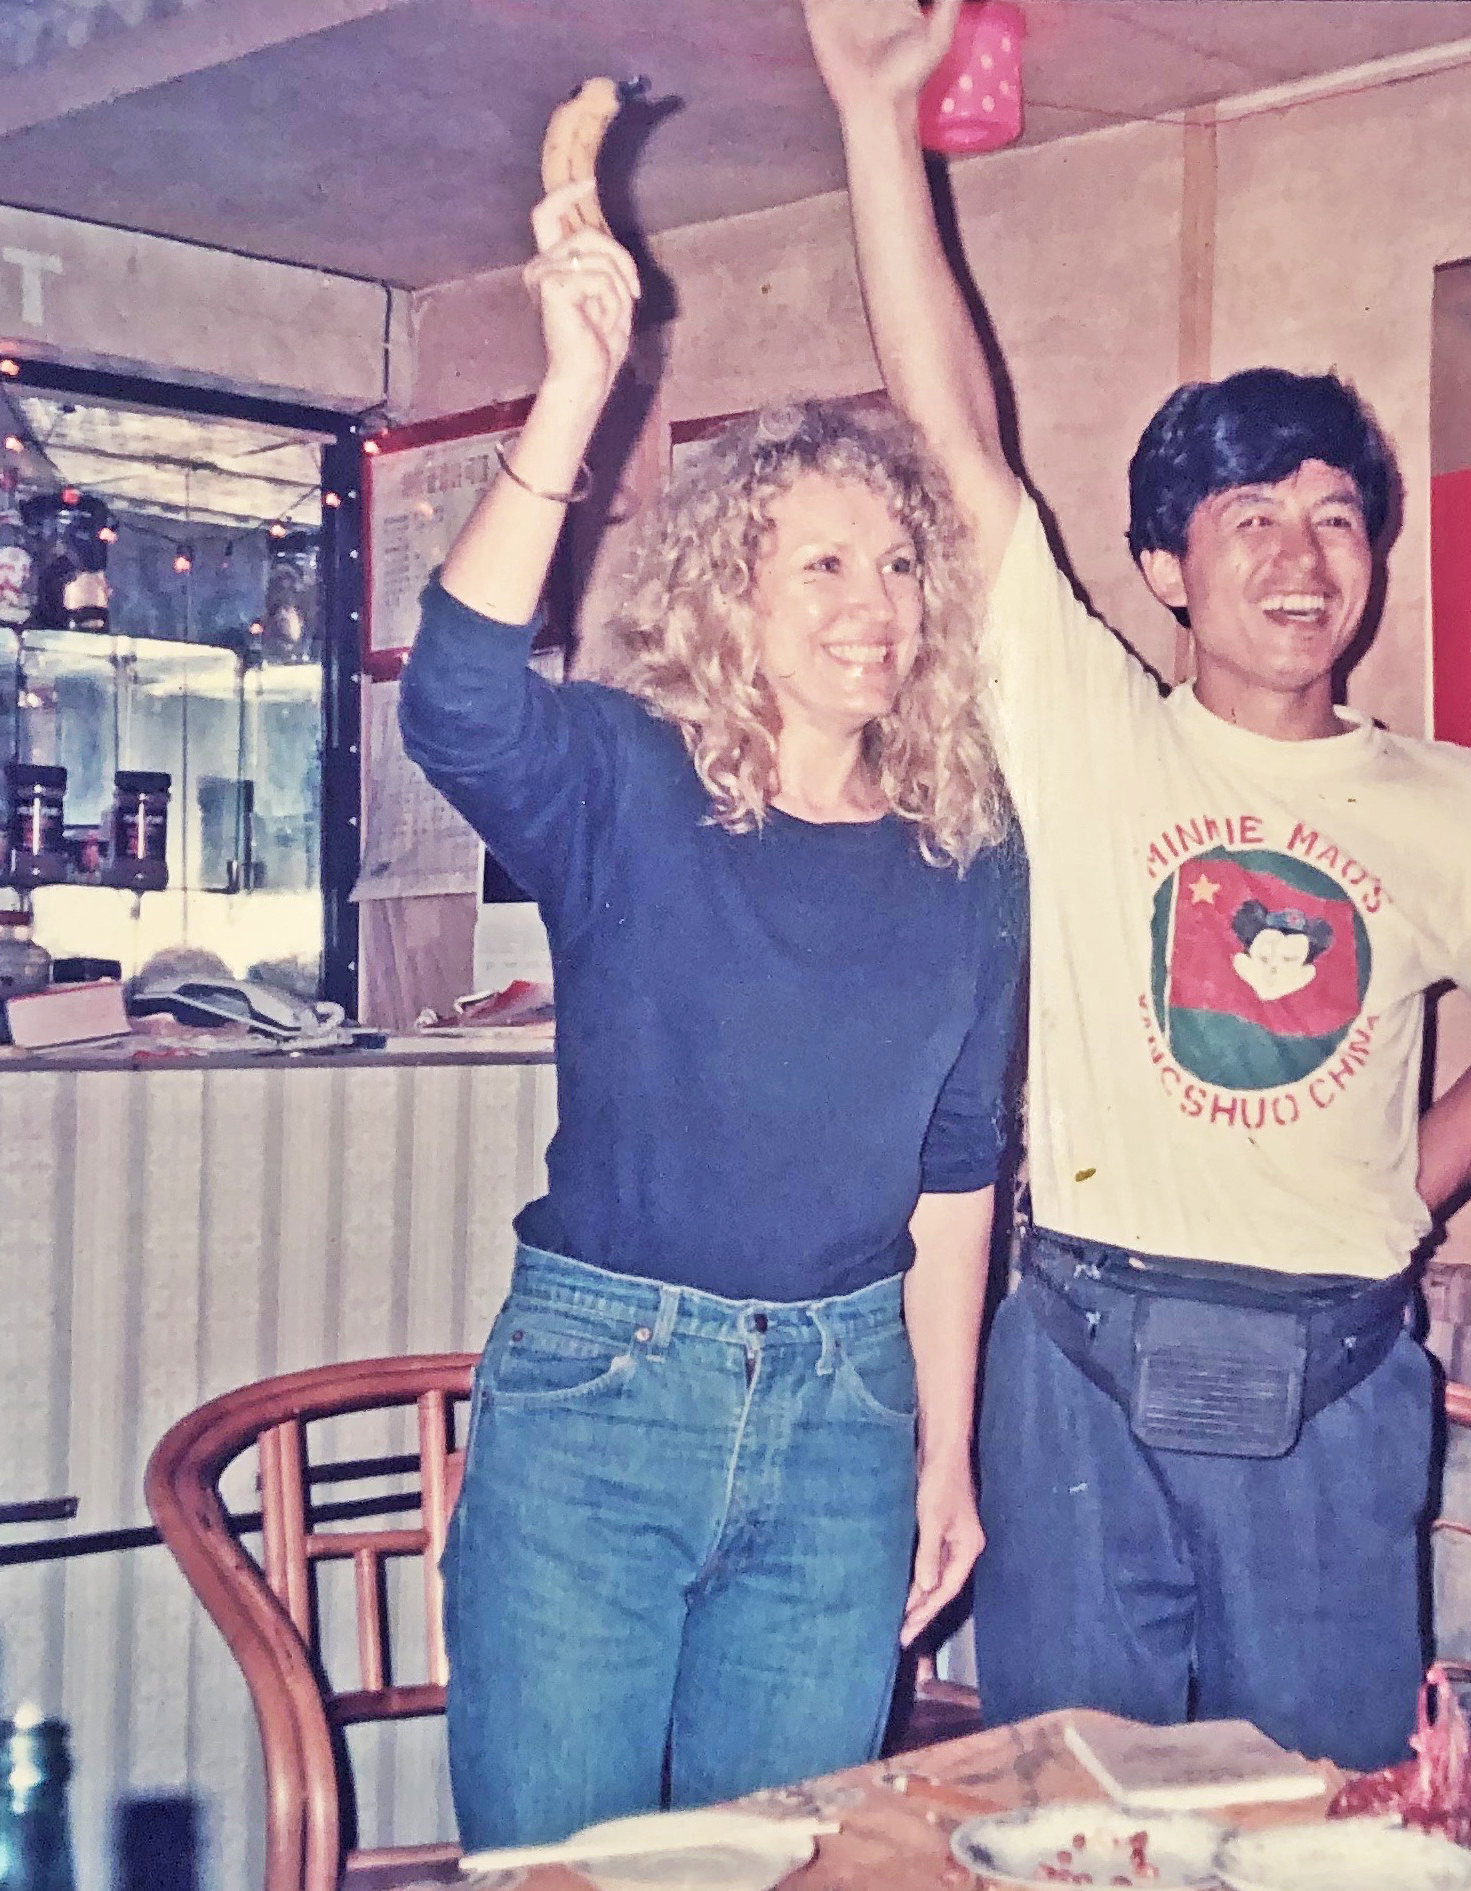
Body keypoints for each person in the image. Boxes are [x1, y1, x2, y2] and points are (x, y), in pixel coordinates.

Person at [805, 0, 1471, 1770]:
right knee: (1065, 1805)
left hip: (1335, 1372)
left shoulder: (1457, 805)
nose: (1300, 556)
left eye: (1335, 517)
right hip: (1080, 1351)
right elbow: (957, 433)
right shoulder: (1091, 730)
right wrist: (874, 124)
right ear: (1166, 566)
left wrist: (1399, 1182)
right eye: (1249, 519)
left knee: (1319, 1814)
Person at [403, 174, 1025, 1845]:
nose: (871, 603)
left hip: (846, 1416)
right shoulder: (625, 778)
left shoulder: (970, 850)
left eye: (896, 563)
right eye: (818, 562)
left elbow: (957, 1174)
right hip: (604, 1398)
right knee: (560, 1876)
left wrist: (946, 1453)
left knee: (775, 1870)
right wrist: (572, 393)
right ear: (727, 594)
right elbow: (455, 701)